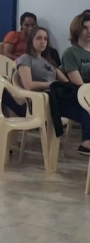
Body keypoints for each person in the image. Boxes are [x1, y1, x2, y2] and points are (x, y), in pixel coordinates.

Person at [19, 26, 90, 155]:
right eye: (39, 38)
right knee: (83, 105)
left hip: (57, 97)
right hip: (41, 100)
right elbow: (28, 85)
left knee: (85, 107)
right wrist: (50, 83)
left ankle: (86, 143)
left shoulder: (48, 61)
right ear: (31, 40)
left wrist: (62, 84)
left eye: (45, 39)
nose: (43, 42)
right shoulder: (25, 59)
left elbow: (65, 81)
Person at [62, 13, 90, 85]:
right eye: (85, 28)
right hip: (83, 93)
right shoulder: (70, 53)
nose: (89, 31)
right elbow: (79, 85)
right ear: (77, 30)